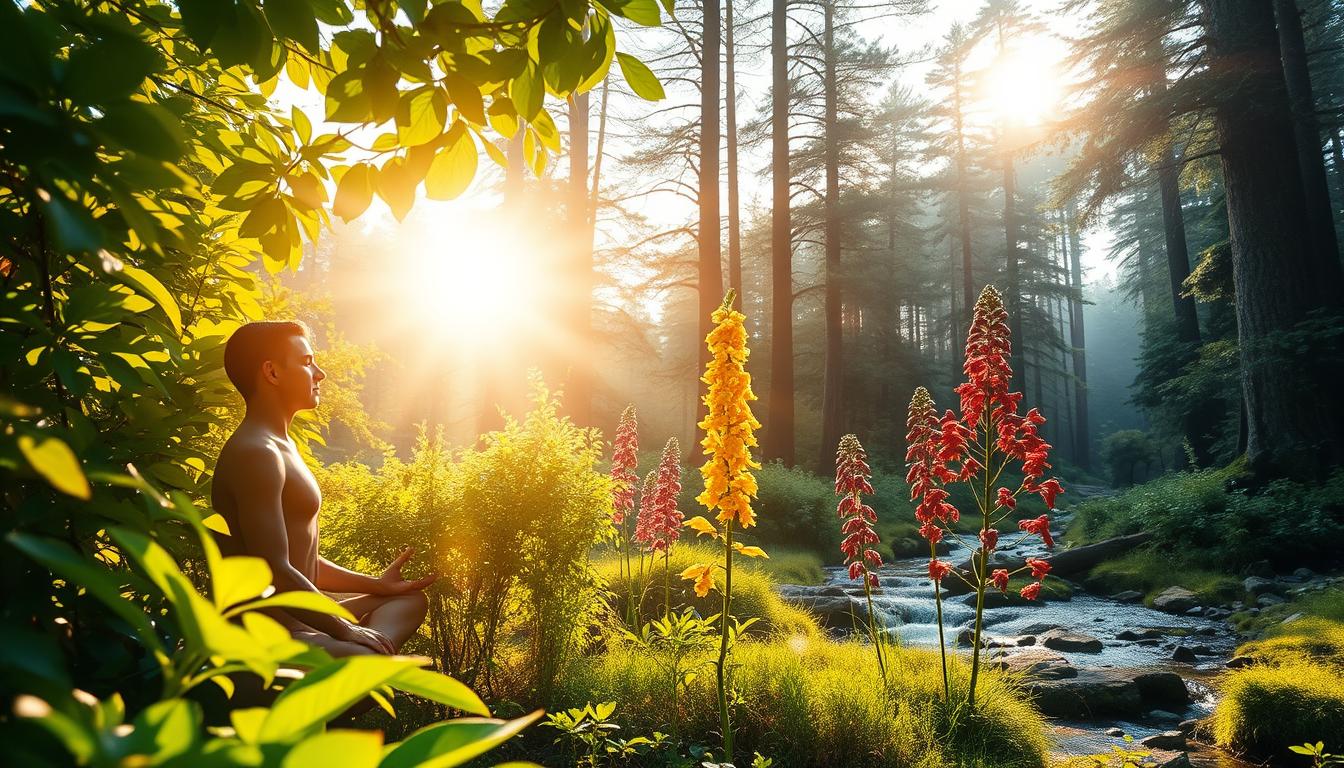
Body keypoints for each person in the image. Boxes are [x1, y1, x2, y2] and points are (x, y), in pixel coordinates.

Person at [211, 321, 436, 656]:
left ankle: (359, 652)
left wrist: (375, 585)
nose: (320, 374)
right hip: (272, 633)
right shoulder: (256, 453)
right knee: (364, 658)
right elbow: (275, 569)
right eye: (306, 362)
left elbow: (303, 560)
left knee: (408, 599)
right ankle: (358, 656)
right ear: (271, 373)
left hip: (308, 620)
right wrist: (343, 628)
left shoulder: (280, 446)